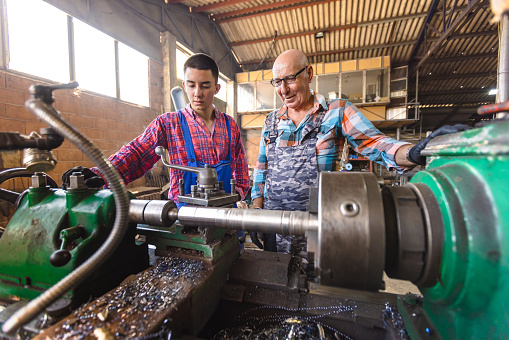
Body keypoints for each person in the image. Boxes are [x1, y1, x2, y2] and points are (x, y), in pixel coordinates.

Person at [251, 49, 470, 255]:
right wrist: (255, 213)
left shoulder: (336, 111)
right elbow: (261, 172)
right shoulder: (271, 122)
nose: (283, 89)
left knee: (315, 288)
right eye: (277, 82)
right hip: (276, 226)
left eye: (289, 79)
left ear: (309, 74)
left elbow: (376, 143)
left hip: (319, 226)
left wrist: (412, 152)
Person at [64, 53, 250, 209]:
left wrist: (235, 198)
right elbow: (136, 153)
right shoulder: (168, 124)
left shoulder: (230, 125)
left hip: (226, 217)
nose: (197, 93)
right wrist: (100, 174)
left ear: (216, 88)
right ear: (184, 86)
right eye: (191, 85)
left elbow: (241, 172)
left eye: (205, 86)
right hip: (185, 219)